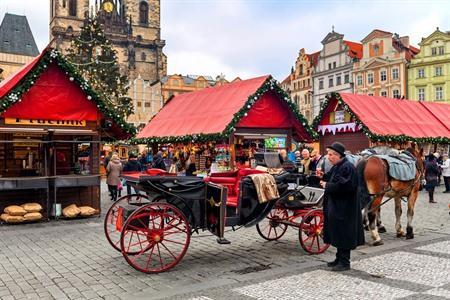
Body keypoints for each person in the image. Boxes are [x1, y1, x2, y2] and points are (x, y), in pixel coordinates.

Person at [318, 142, 364, 271]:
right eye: (328, 154)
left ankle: (345, 262)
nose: (328, 157)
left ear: (339, 155)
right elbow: (334, 178)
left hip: (345, 208)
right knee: (338, 232)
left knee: (344, 233)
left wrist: (327, 185)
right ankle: (339, 258)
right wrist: (323, 176)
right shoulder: (338, 166)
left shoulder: (347, 167)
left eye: (331, 155)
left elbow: (346, 186)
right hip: (338, 206)